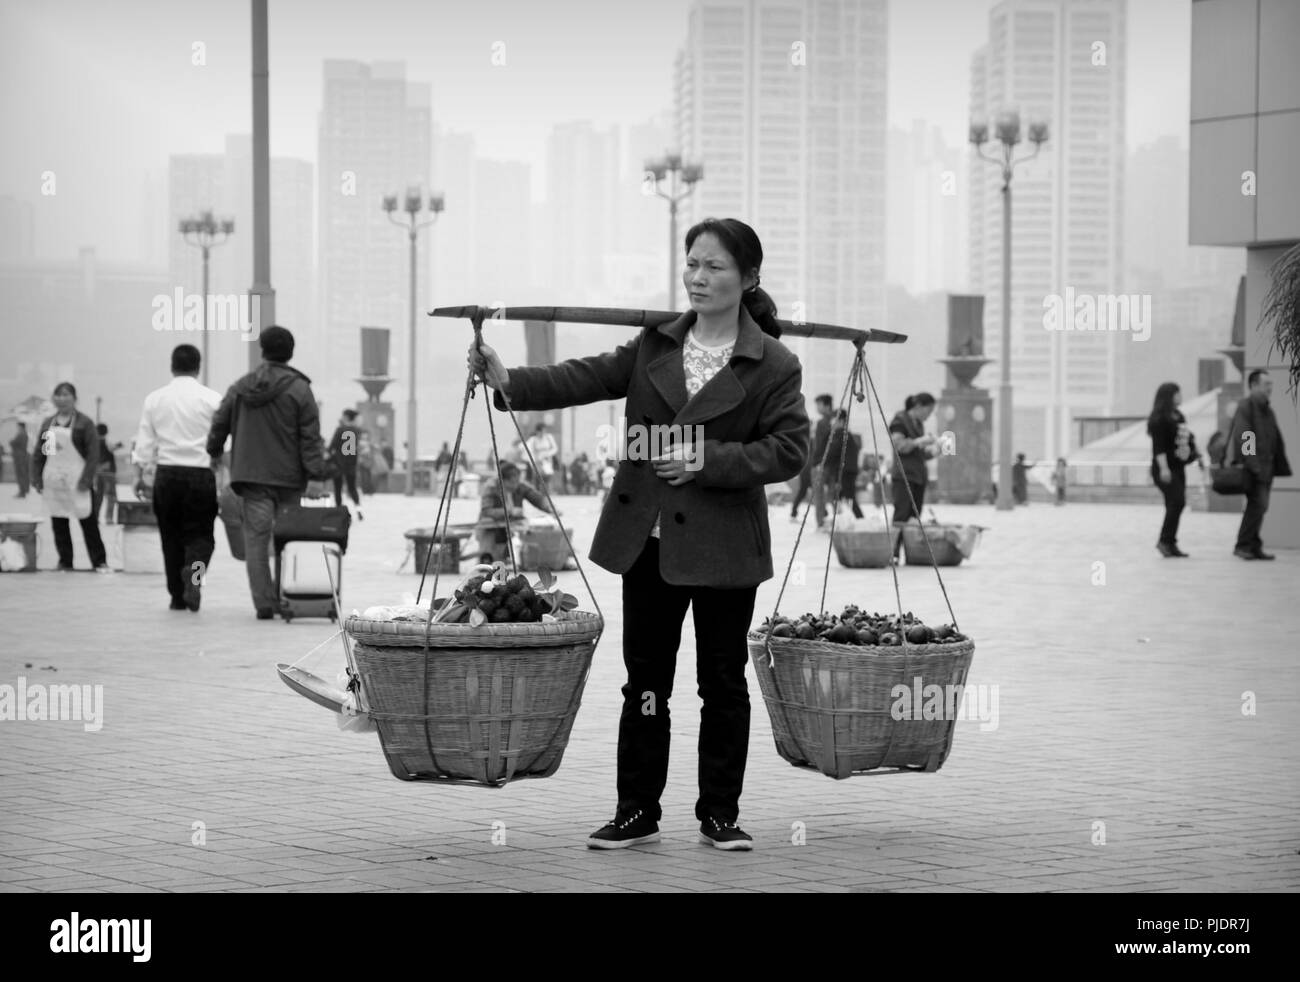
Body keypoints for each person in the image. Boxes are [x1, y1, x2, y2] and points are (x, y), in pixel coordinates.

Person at [469, 216, 809, 852]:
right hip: (648, 542)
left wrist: (706, 460)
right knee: (647, 684)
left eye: (714, 267)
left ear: (749, 278)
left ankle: (719, 813)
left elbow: (789, 449)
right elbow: (587, 375)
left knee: (723, 685)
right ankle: (636, 810)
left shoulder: (773, 363)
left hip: (724, 549)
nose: (698, 277)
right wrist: (509, 379)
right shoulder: (657, 343)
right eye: (692, 263)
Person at [206, 325, 330, 619]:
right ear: (291, 352)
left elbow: (219, 423)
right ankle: (285, 596)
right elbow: (310, 437)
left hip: (251, 479)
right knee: (287, 539)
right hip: (289, 480)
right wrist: (315, 475)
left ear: (262, 349)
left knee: (257, 540)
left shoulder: (240, 386)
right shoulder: (300, 389)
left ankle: (264, 604)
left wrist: (213, 451)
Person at [131, 343, 223, 610]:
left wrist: (137, 476)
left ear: (172, 366)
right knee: (201, 537)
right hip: (200, 475)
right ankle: (194, 577)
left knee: (170, 538)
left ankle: (177, 597)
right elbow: (223, 446)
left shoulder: (155, 399)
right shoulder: (211, 399)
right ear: (198, 366)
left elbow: (144, 444)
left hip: (167, 475)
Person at [32, 382, 109, 572]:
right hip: (55, 481)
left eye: (66, 395)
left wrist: (86, 480)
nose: (62, 399)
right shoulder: (48, 424)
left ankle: (99, 561)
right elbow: (42, 453)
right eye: (58, 395)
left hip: (79, 481)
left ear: (75, 398)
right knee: (59, 522)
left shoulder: (84, 423)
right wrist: (37, 477)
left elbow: (93, 455)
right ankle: (65, 561)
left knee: (88, 521)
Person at [1227, 369, 1291, 560]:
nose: (1270, 388)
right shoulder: (1246, 407)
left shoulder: (1267, 409)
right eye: (1266, 385)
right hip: (1255, 468)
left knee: (1259, 506)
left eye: (1271, 384)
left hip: (1267, 467)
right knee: (1258, 505)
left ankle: (1253, 546)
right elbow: (1245, 436)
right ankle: (1243, 545)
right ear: (1253, 385)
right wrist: (1253, 465)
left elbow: (1274, 438)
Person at [1147, 382, 1203, 557]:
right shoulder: (1159, 418)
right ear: (1169, 396)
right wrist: (1164, 469)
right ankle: (1165, 541)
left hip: (1178, 467)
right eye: (1177, 393)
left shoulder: (1179, 416)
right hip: (1165, 468)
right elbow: (1159, 447)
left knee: (1175, 503)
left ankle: (1170, 543)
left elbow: (1187, 438)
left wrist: (1197, 454)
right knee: (1177, 502)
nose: (1180, 396)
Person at [474, 461, 558, 563]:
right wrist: (510, 511)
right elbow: (486, 511)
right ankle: (487, 557)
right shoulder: (491, 488)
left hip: (514, 524)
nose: (516, 485)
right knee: (488, 554)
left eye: (517, 481)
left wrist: (549, 508)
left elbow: (535, 497)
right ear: (503, 480)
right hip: (492, 526)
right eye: (513, 482)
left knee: (533, 528)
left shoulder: (519, 486)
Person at [888, 393, 938, 559]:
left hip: (917, 477)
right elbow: (900, 446)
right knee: (901, 515)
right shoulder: (899, 422)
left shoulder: (918, 425)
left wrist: (935, 451)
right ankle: (893, 552)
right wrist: (919, 441)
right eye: (928, 411)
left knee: (913, 518)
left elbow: (919, 453)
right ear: (918, 407)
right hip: (903, 476)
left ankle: (911, 552)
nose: (929, 415)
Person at [825, 409, 863, 519]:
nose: (832, 423)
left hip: (845, 470)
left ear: (840, 421)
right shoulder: (847, 433)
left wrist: (822, 462)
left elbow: (833, 451)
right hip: (849, 469)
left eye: (834, 420)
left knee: (849, 496)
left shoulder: (841, 433)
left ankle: (860, 518)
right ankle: (838, 516)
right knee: (840, 495)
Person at [327, 409, 363, 520]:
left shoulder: (339, 430)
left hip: (338, 464)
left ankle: (338, 511)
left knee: (338, 488)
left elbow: (331, 447)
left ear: (346, 417)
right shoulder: (356, 431)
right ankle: (358, 510)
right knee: (352, 488)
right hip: (351, 465)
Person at [809, 394, 834, 530]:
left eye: (818, 405)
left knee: (819, 494)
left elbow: (817, 446)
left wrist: (817, 462)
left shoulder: (822, 423)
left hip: (820, 463)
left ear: (826, 405)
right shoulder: (836, 419)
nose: (817, 408)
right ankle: (832, 519)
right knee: (833, 493)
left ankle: (821, 522)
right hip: (832, 463)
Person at [788, 419, 814, 523]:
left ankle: (793, 513)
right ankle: (793, 513)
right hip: (807, 470)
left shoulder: (809, 438)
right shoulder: (808, 438)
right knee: (804, 492)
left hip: (807, 469)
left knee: (805, 492)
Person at [94, 423, 119, 524]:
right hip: (109, 472)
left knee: (98, 496)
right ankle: (109, 518)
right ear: (106, 431)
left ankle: (95, 517)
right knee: (110, 496)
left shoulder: (93, 443)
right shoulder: (108, 441)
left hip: (97, 472)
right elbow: (114, 447)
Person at [526, 422, 559, 494]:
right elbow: (528, 451)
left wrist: (548, 454)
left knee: (547, 479)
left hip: (547, 461)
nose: (543, 433)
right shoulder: (533, 439)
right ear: (538, 431)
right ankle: (538, 495)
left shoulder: (549, 437)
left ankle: (546, 496)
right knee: (537, 479)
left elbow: (555, 448)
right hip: (537, 462)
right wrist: (533, 462)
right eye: (542, 431)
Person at [10, 422, 30, 498]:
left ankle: (22, 492)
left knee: (20, 474)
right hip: (22, 456)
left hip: (19, 457)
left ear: (21, 426)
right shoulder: (25, 434)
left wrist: (11, 441)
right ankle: (24, 490)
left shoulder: (21, 434)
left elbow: (13, 443)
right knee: (23, 474)